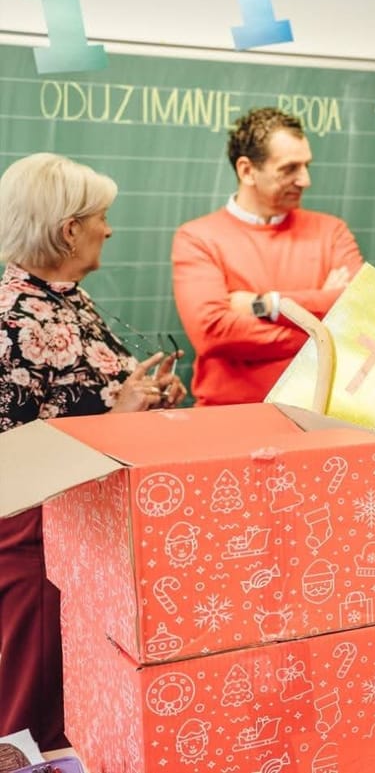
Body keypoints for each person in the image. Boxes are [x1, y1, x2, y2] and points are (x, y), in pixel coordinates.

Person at [0, 153, 186, 751]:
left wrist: (146, 397)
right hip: (34, 545)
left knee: (75, 702)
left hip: (80, 535)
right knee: (29, 705)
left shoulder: (67, 299)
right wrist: (119, 415)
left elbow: (88, 397)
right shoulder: (12, 316)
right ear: (67, 228)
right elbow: (21, 455)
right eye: (102, 217)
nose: (110, 229)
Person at [171, 107, 364, 406]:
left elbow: (360, 313)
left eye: (306, 166)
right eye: (290, 169)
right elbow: (213, 333)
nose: (305, 180)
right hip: (230, 419)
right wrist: (321, 333)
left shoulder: (332, 232)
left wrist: (267, 304)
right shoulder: (197, 238)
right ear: (247, 171)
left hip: (321, 416)